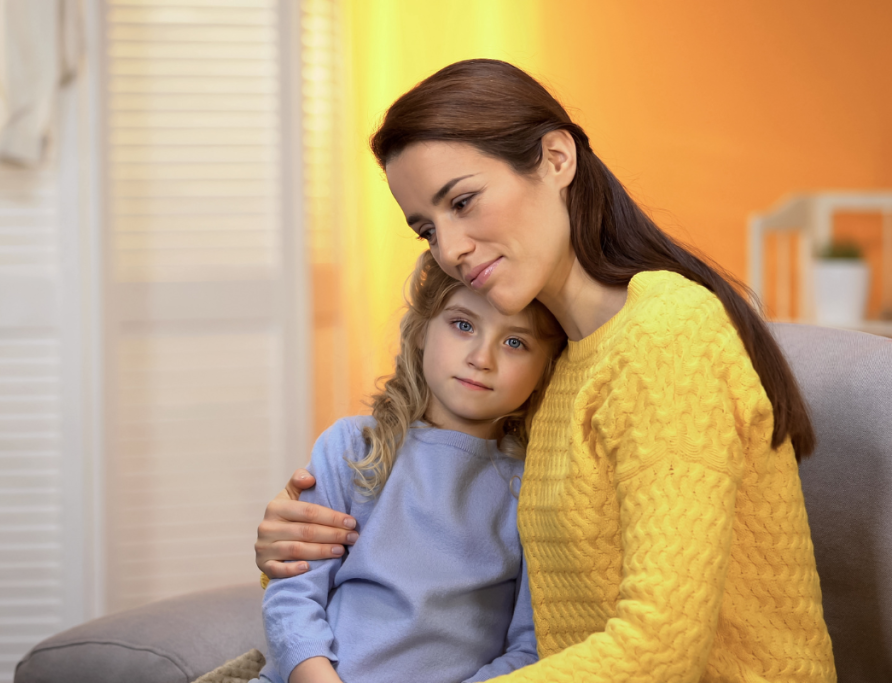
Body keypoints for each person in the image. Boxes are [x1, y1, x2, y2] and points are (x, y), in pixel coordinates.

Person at [254, 59, 837, 681]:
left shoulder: (668, 334)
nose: (449, 250)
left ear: (557, 159)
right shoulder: (554, 372)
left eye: (463, 200)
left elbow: (660, 649)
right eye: (428, 229)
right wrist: (290, 550)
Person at [255, 250, 564, 683]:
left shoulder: (536, 489)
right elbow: (293, 593)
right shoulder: (352, 446)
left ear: (546, 369)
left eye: (515, 342)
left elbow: (531, 646)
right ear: (421, 331)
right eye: (463, 325)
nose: (482, 357)